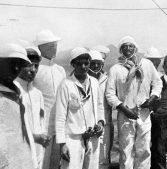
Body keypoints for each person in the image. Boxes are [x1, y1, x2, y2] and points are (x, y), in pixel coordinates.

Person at [106, 36, 162, 169]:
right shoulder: (115, 69)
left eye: (130, 46)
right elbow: (110, 94)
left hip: (144, 113)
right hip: (125, 114)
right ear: (120, 50)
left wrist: (152, 98)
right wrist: (124, 109)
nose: (128, 49)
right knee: (126, 151)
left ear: (135, 48)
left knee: (144, 149)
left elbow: (157, 83)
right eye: (124, 46)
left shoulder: (146, 64)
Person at [55, 47, 105, 169]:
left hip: (93, 136)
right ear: (73, 64)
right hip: (73, 139)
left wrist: (100, 122)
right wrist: (62, 144)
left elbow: (99, 106)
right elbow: (60, 116)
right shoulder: (65, 85)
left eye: (86, 63)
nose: (83, 67)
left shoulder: (94, 82)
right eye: (79, 63)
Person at [33, 29, 66, 169]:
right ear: (40, 47)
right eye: (50, 45)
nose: (55, 47)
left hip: (58, 124)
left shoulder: (60, 70)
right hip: (42, 124)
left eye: (55, 44)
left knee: (55, 161)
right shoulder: (35, 70)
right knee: (41, 162)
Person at [0, 43, 36, 168]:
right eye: (12, 64)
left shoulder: (18, 90)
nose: (16, 69)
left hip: (21, 159)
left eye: (20, 65)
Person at [14, 47, 51, 169]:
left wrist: (43, 137)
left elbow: (41, 122)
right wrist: (34, 137)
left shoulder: (37, 94)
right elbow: (11, 129)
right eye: (29, 65)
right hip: (19, 155)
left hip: (38, 152)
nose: (33, 70)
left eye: (36, 66)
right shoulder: (12, 92)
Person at [88, 49, 113, 169]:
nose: (96, 66)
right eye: (93, 63)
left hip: (105, 124)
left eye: (98, 63)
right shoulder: (84, 79)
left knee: (103, 158)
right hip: (88, 125)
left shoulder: (108, 79)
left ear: (102, 64)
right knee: (88, 157)